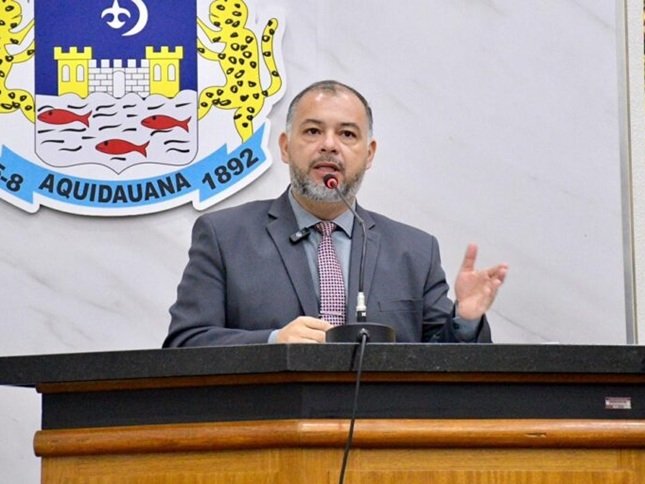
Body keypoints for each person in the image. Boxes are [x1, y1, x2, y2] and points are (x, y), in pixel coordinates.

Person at [163, 80, 508, 347]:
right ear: (285, 147)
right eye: (313, 131)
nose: (329, 145)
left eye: (347, 134)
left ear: (369, 154)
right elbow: (185, 343)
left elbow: (441, 362)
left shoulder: (415, 251)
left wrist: (465, 320)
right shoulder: (224, 236)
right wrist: (273, 342)